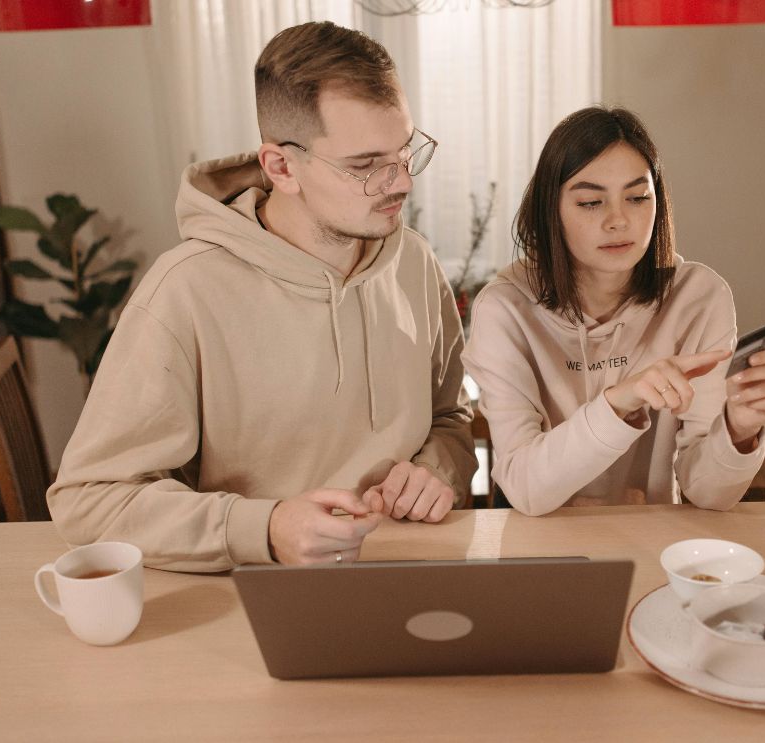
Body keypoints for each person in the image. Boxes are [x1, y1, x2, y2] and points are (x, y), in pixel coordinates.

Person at [47, 22, 476, 570]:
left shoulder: (412, 259)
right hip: (253, 591)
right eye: (366, 165)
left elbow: (451, 417)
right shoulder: (184, 291)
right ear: (281, 166)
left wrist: (436, 471)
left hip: (411, 568)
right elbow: (89, 501)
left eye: (405, 151)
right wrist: (265, 529)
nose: (402, 182)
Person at [463, 107, 765, 516]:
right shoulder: (506, 309)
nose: (619, 220)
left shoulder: (698, 298)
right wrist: (620, 401)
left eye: (638, 198)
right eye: (590, 202)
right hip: (537, 547)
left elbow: (709, 494)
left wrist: (739, 429)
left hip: (652, 540)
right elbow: (527, 489)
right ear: (552, 212)